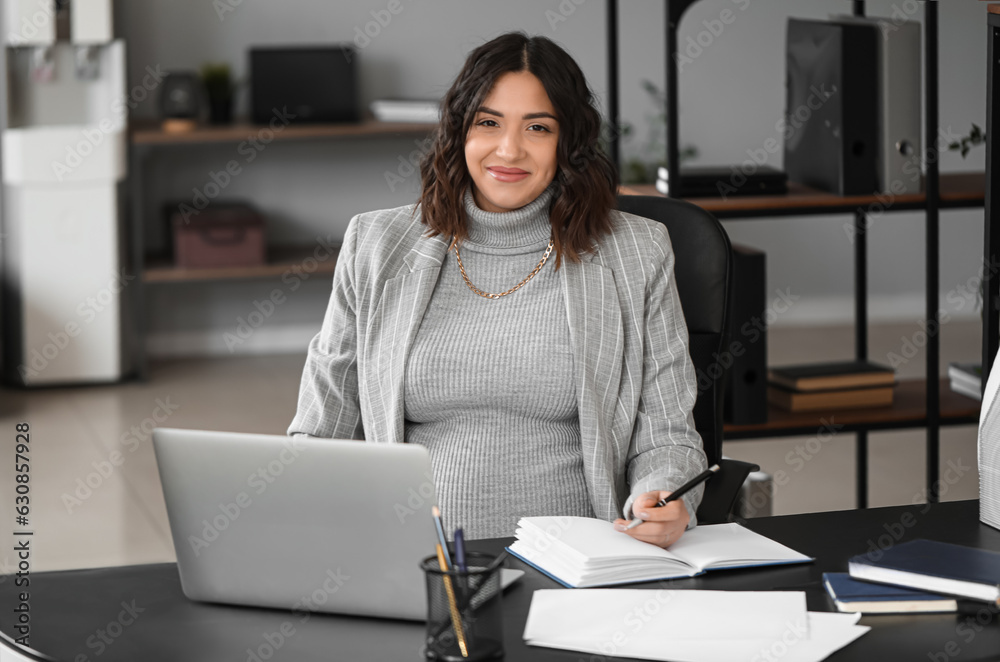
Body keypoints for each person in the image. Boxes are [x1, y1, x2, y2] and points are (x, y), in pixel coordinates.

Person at [288, 32, 707, 548]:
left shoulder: (637, 252)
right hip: (415, 560)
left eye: (538, 127)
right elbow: (322, 427)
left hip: (577, 562)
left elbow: (667, 431)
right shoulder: (376, 244)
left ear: (568, 142)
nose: (509, 150)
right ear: (459, 131)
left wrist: (663, 493)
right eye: (488, 123)